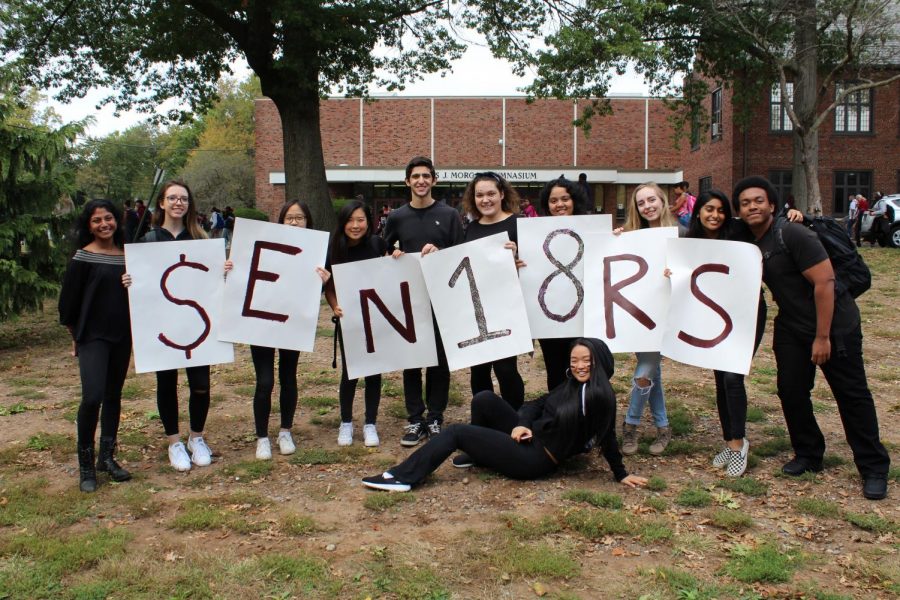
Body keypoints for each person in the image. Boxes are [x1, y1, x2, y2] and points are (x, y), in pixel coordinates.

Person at [733, 176, 890, 500]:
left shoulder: (791, 233)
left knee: (852, 395)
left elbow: (825, 283)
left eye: (758, 200)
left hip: (835, 326)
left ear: (772, 205)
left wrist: (823, 338)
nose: (752, 206)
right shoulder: (749, 241)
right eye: (745, 203)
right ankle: (808, 453)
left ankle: (873, 467)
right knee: (791, 391)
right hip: (792, 327)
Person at [361, 338, 648, 492]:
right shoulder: (572, 382)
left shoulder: (599, 396)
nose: (580, 366)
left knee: (455, 432)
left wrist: (621, 474)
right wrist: (522, 424)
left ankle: (402, 477)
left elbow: (608, 436)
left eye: (586, 360)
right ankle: (480, 454)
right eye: (574, 360)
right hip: (531, 436)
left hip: (536, 459)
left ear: (599, 362)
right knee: (484, 399)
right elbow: (537, 403)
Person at [124, 180, 217, 472]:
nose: (178, 203)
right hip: (163, 327)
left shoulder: (201, 240)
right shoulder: (149, 241)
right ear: (161, 203)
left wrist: (224, 270)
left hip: (196, 326)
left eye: (184, 199)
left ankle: (197, 438)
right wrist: (129, 280)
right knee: (167, 383)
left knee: (200, 385)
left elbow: (213, 282)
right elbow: (143, 287)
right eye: (172, 198)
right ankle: (174, 442)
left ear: (189, 204)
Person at [226, 200, 330, 460]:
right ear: (281, 221)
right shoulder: (262, 246)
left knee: (288, 377)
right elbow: (243, 278)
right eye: (289, 218)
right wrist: (230, 268)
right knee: (264, 381)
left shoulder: (315, 252)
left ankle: (285, 430)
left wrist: (323, 280)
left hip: (290, 324)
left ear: (308, 222)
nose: (295, 222)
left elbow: (309, 292)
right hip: (260, 322)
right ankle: (262, 437)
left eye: (300, 218)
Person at [684, 191, 766, 477]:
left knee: (732, 377)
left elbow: (767, 225)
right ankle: (730, 441)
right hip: (715, 317)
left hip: (747, 313)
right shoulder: (690, 241)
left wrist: (798, 216)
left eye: (720, 210)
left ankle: (738, 442)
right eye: (709, 209)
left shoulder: (739, 232)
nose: (714, 215)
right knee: (720, 378)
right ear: (698, 212)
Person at [382, 156, 463, 445]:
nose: (421, 181)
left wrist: (440, 252)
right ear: (407, 181)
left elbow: (460, 255)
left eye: (426, 176)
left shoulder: (450, 215)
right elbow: (384, 252)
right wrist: (392, 257)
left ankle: (436, 417)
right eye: (415, 176)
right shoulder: (397, 217)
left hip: (441, 297)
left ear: (434, 180)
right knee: (413, 361)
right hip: (410, 300)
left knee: (440, 361)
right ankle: (415, 420)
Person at [59, 200, 133, 492]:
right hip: (92, 336)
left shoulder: (128, 256)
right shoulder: (82, 258)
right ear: (88, 225)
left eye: (108, 218)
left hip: (121, 335)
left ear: (117, 220)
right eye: (96, 220)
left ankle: (107, 457)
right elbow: (68, 304)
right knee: (93, 397)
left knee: (113, 395)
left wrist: (132, 281)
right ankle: (86, 465)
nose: (104, 224)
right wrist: (75, 336)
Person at [615, 182, 684, 456]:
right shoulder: (633, 236)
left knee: (645, 370)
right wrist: (615, 240)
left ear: (663, 200)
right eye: (641, 203)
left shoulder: (682, 233)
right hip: (640, 315)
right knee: (651, 371)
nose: (648, 206)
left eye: (652, 199)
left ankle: (630, 426)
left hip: (669, 314)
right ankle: (663, 427)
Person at [324, 200, 389, 447]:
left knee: (374, 369)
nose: (355, 225)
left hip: (377, 316)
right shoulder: (335, 248)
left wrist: (395, 255)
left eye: (360, 220)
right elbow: (329, 286)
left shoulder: (376, 243)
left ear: (368, 222)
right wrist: (334, 305)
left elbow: (391, 273)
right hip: (349, 318)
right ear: (343, 223)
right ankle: (346, 422)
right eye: (350, 220)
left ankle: (370, 422)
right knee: (350, 371)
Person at [460, 172, 526, 410]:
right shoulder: (470, 228)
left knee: (506, 368)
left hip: (508, 307)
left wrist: (519, 256)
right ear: (473, 198)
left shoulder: (518, 224)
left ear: (501, 194)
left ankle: (515, 419)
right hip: (477, 308)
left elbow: (533, 265)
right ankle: (486, 416)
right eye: (479, 195)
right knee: (478, 368)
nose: (485, 200)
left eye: (490, 194)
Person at [536, 176, 591, 392]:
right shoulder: (536, 233)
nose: (559, 205)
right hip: (550, 316)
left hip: (582, 314)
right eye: (553, 200)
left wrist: (614, 239)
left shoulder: (591, 227)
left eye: (565, 199)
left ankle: (584, 410)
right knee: (554, 367)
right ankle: (558, 414)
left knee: (583, 365)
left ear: (574, 200)